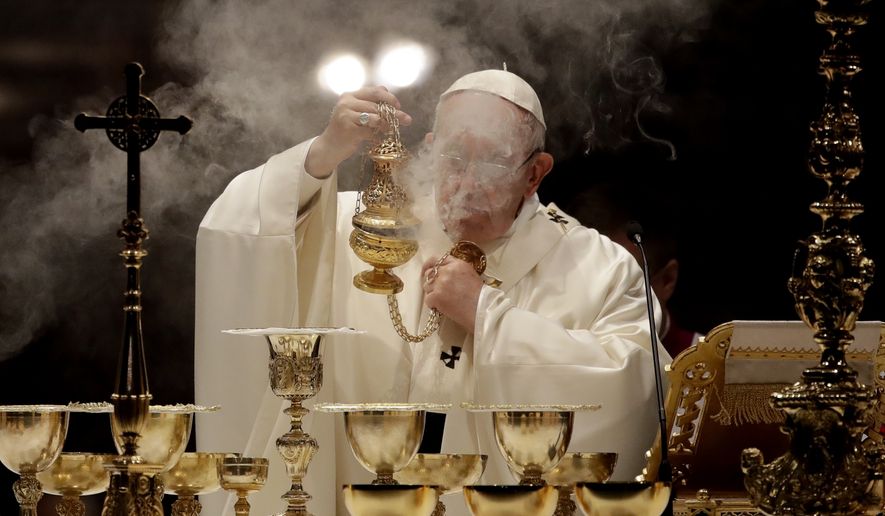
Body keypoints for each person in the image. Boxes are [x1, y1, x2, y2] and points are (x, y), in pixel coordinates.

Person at [194, 70, 667, 515]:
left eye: (495, 160)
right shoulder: (369, 229)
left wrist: (486, 314)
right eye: (453, 155)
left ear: (535, 172)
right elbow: (239, 228)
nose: (467, 180)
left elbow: (638, 385)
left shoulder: (598, 267)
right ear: (428, 147)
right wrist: (322, 154)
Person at [567, 172, 701, 357]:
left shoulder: (719, 373)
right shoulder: (550, 358)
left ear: (667, 281)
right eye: (584, 283)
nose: (599, 306)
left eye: (624, 284)